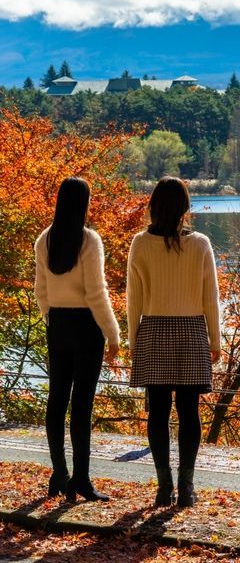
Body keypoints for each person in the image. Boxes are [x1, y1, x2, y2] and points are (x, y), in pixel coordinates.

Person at [127, 177, 221, 508]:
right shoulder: (200, 243)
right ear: (184, 208)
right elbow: (210, 295)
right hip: (193, 330)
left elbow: (133, 297)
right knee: (189, 412)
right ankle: (187, 486)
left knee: (158, 413)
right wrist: (216, 339)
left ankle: (163, 485)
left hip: (152, 329)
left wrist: (131, 339)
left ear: (153, 205)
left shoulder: (140, 243)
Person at [34, 176, 120, 502]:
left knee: (56, 400)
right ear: (83, 203)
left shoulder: (44, 240)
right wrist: (112, 333)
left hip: (57, 323)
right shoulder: (89, 240)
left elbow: (40, 291)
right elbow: (96, 293)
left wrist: (52, 319)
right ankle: (81, 479)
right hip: (86, 326)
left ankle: (59, 472)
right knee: (81, 404)